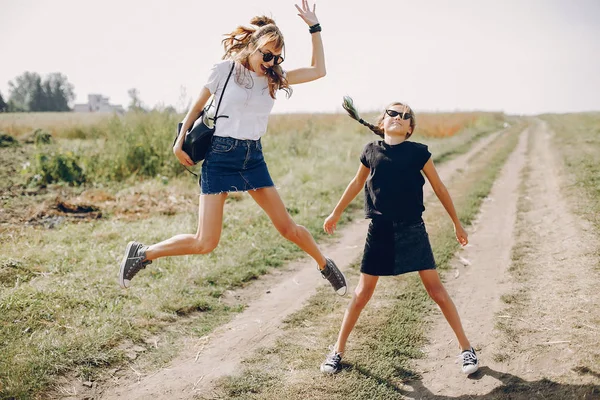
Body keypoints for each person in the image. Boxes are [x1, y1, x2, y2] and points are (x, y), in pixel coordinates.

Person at [118, 0, 347, 297]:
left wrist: (314, 27)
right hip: (220, 157)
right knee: (205, 242)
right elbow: (197, 105)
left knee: (287, 227)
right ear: (252, 46)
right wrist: (179, 140)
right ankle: (142, 253)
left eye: (277, 57)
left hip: (253, 157)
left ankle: (324, 265)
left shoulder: (274, 79)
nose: (271, 62)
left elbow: (319, 70)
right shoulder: (224, 70)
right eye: (267, 54)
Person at [319, 96, 478, 375]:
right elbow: (357, 183)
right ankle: (336, 351)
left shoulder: (418, 152)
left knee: (436, 291)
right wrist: (335, 213)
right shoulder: (370, 150)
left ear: (409, 129)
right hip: (379, 231)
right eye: (392, 112)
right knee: (362, 293)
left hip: (412, 229)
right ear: (383, 121)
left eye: (405, 116)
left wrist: (457, 223)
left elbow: (439, 187)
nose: (398, 117)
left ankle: (466, 349)